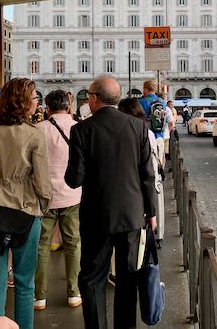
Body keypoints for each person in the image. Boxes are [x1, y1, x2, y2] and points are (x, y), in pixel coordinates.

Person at [65, 76, 157, 329]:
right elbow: (147, 175)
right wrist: (152, 212)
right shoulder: (138, 127)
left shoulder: (81, 130)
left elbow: (75, 179)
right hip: (132, 215)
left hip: (96, 216)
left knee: (93, 278)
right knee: (128, 279)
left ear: (94, 98)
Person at [0, 78, 53, 329]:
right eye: (34, 97)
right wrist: (43, 205)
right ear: (24, 102)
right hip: (26, 213)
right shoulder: (34, 135)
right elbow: (42, 182)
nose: (37, 101)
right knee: (25, 282)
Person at [34, 90, 82, 311]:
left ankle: (39, 296)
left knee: (41, 245)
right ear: (68, 106)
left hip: (44, 197)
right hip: (72, 195)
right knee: (73, 243)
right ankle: (74, 292)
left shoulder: (38, 130)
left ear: (48, 108)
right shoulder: (79, 128)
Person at [118, 97, 165, 246]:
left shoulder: (128, 131)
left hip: (134, 179)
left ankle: (147, 237)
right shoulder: (146, 130)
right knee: (153, 206)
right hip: (148, 176)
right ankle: (156, 234)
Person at [139, 79, 173, 168]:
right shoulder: (162, 102)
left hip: (147, 137)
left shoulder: (142, 102)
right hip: (160, 136)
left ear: (146, 89)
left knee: (148, 165)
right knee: (159, 162)